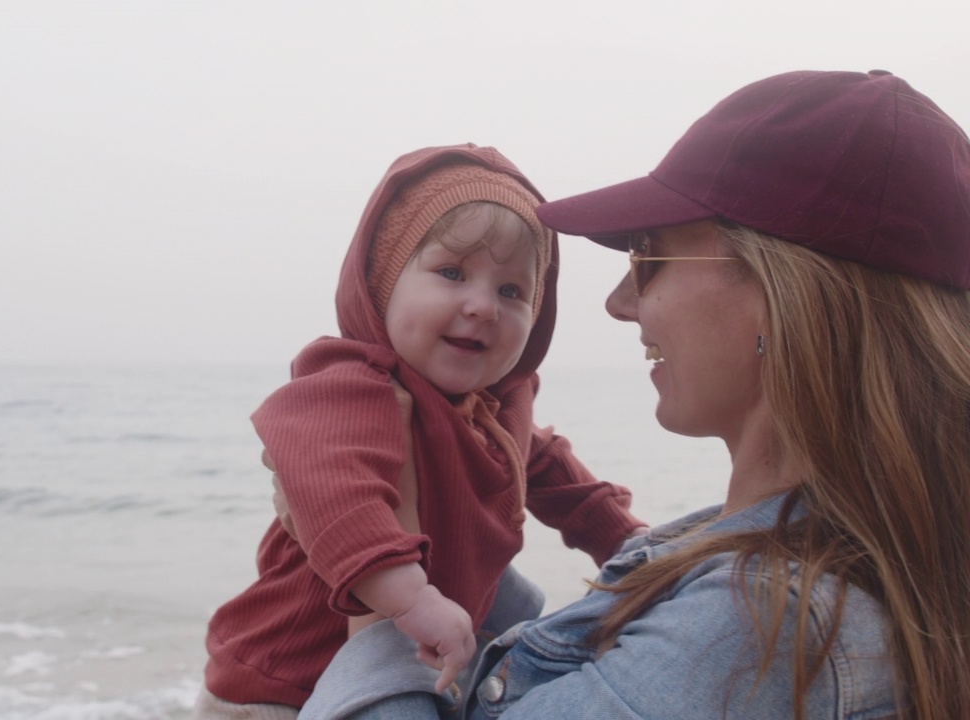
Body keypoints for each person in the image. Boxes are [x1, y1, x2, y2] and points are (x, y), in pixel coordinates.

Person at [296, 69, 970, 720]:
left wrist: (380, 608)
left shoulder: (759, 626)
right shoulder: (851, 566)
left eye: (649, 257)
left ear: (776, 299)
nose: (619, 303)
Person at [194, 144, 645, 719]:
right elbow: (337, 490)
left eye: (511, 291)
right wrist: (412, 599)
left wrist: (625, 540)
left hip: (419, 664)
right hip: (281, 686)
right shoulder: (355, 388)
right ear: (383, 283)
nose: (482, 306)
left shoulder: (499, 406)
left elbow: (548, 468)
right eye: (451, 273)